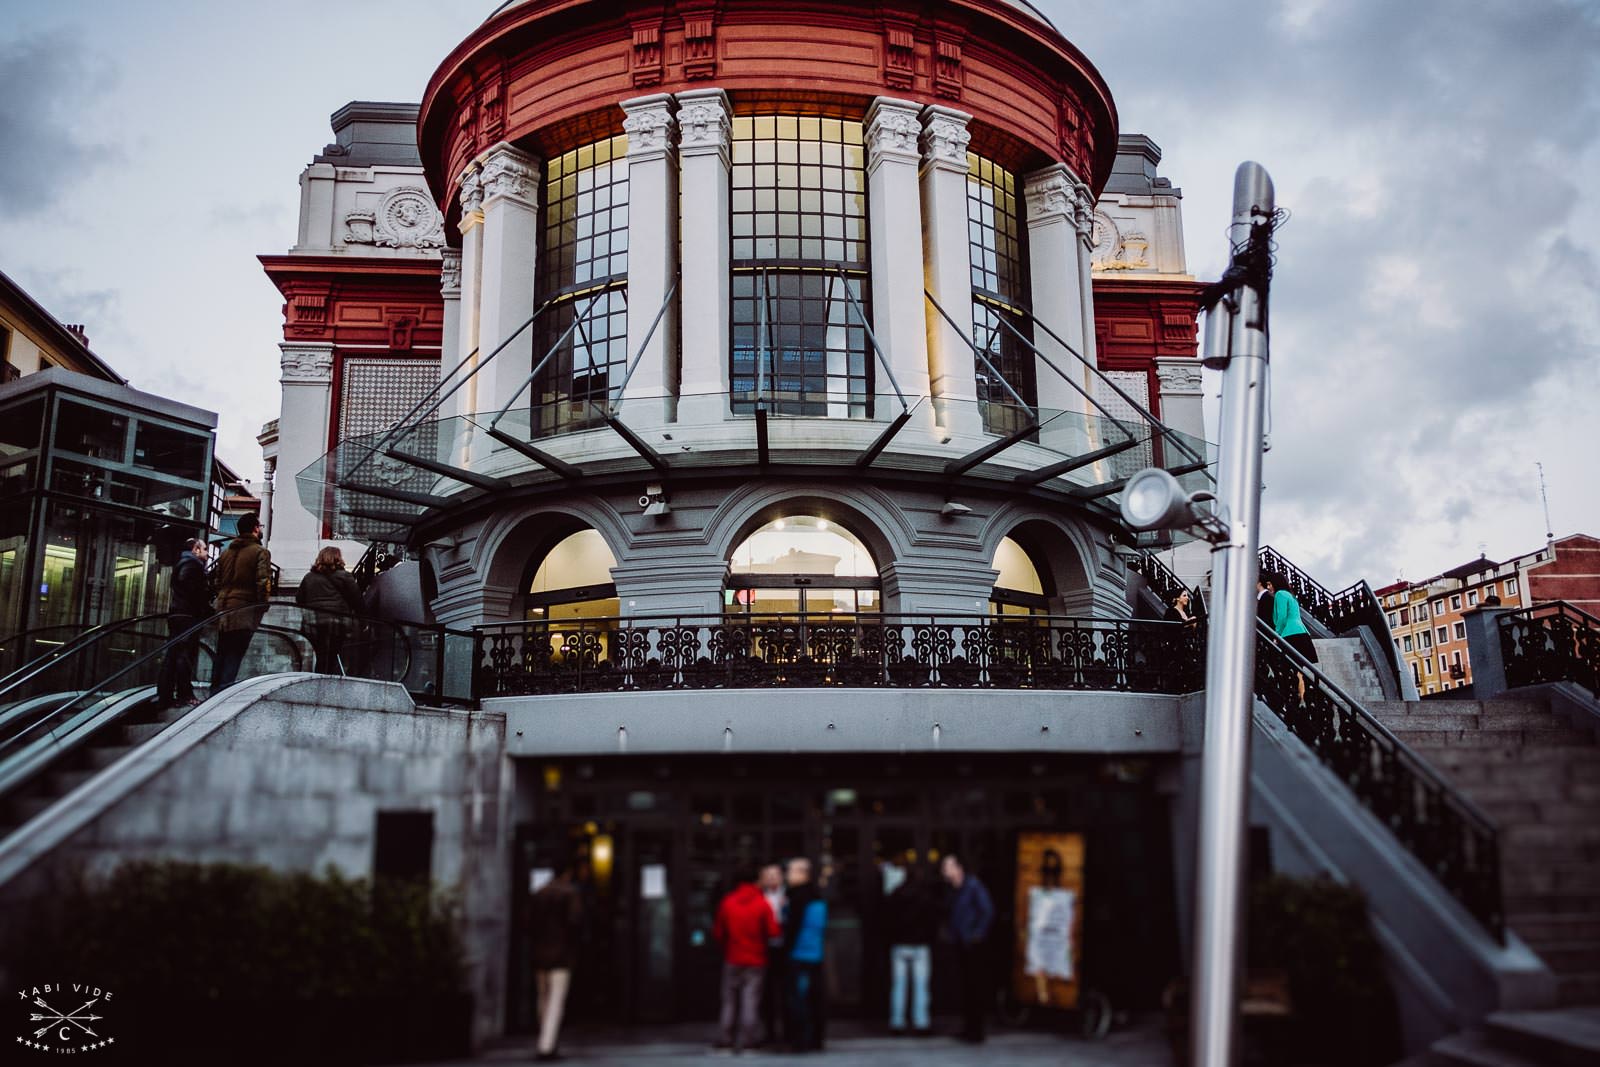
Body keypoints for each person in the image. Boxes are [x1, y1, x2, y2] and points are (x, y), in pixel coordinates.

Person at [713, 867, 781, 1053]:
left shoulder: (728, 902)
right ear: (755, 883)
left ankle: (725, 1038)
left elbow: (719, 932)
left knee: (729, 1000)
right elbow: (774, 931)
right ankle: (748, 1040)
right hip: (756, 959)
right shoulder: (762, 903)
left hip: (733, 957)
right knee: (750, 1000)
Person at [529, 863, 583, 1062]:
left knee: (543, 998)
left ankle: (544, 1039)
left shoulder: (539, 893)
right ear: (568, 874)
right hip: (561, 955)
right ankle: (547, 1045)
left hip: (539, 954)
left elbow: (528, 922)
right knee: (555, 1001)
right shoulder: (570, 894)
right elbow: (575, 923)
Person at [212, 514, 272, 690]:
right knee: (235, 653)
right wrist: (262, 605)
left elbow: (217, 582)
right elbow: (263, 582)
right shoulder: (260, 552)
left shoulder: (226, 553)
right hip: (244, 608)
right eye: (259, 526)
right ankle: (223, 692)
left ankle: (214, 691)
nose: (261, 529)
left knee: (221, 653)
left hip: (223, 609)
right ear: (254, 528)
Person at [942, 853, 995, 1044]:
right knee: (966, 988)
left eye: (947, 866)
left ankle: (976, 1031)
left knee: (975, 988)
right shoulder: (953, 889)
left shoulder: (973, 886)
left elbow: (987, 910)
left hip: (973, 945)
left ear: (958, 868)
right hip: (960, 943)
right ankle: (969, 1028)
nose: (944, 870)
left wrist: (976, 934)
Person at [886, 863, 941, 1037]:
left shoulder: (895, 894)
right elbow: (933, 922)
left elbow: (887, 920)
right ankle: (921, 1022)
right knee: (921, 986)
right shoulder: (926, 896)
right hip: (920, 945)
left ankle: (897, 1022)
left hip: (900, 944)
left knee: (899, 985)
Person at [156, 538, 212, 708]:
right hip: (187, 616)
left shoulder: (182, 563)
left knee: (173, 655)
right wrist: (205, 605)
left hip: (178, 614)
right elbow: (191, 589)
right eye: (204, 549)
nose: (207, 553)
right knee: (185, 655)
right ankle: (184, 694)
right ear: (196, 549)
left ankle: (165, 695)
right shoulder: (191, 565)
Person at [295, 546, 365, 675]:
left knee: (321, 655)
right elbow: (357, 600)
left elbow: (299, 599)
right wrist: (362, 621)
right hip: (337, 622)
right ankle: (328, 680)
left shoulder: (309, 577)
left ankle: (320, 678)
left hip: (313, 623)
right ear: (338, 558)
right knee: (333, 654)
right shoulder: (345, 576)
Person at [783, 857, 828, 1052]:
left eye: (791, 871)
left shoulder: (798, 897)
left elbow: (792, 927)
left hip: (799, 954)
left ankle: (800, 1041)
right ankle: (815, 1039)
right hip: (814, 954)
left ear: (803, 873)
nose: (787, 875)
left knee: (798, 1000)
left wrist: (785, 949)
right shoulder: (816, 897)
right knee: (814, 998)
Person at [1269, 570, 1318, 701]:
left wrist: (1277, 634)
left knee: (1290, 668)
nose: (1269, 587)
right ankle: (1302, 697)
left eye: (1270, 584)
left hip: (1290, 633)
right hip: (1302, 632)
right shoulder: (1291, 595)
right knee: (1299, 669)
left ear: (1275, 583)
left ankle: (1297, 698)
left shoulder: (1280, 594)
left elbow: (1282, 617)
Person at [758, 863, 787, 1047]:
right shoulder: (759, 896)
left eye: (775, 874)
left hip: (784, 948)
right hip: (764, 948)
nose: (772, 878)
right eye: (768, 875)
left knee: (785, 992)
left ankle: (786, 1032)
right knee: (766, 993)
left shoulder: (788, 896)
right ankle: (769, 1032)